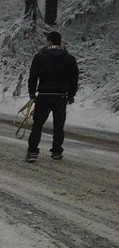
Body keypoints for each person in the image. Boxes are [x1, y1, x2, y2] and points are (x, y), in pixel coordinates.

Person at [26, 31, 79, 162]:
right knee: (58, 126)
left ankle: (32, 151)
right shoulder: (69, 59)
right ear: (59, 42)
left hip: (44, 96)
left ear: (49, 41)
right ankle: (56, 151)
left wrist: (32, 93)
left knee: (37, 125)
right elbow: (74, 79)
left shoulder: (40, 57)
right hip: (61, 97)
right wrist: (71, 95)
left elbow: (33, 77)